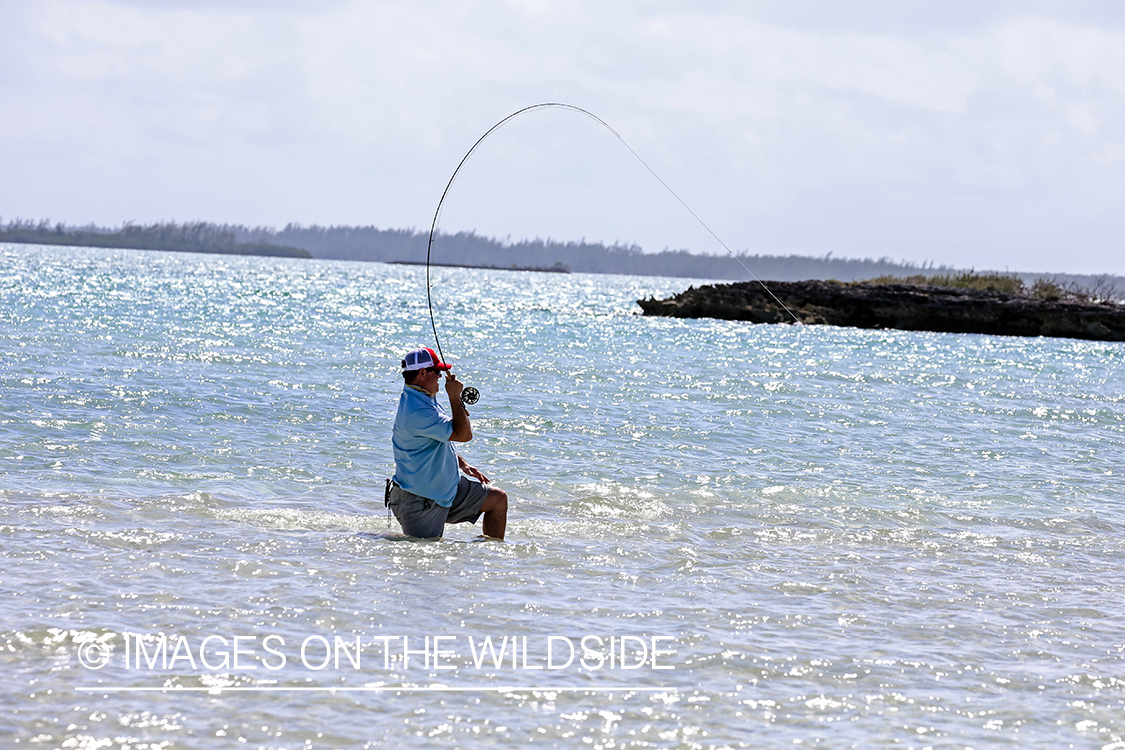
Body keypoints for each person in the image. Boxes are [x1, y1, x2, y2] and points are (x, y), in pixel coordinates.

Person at [387, 347, 508, 540]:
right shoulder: (417, 410)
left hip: (447, 491)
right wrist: (454, 397)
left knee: (498, 499)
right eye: (438, 371)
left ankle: (492, 561)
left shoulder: (424, 396)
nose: (441, 376)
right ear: (423, 373)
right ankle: (375, 538)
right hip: (421, 499)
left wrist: (462, 464)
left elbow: (437, 439)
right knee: (425, 557)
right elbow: (463, 435)